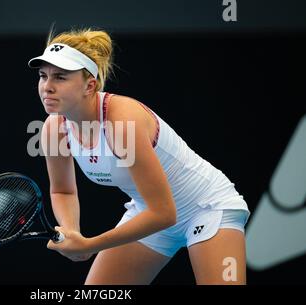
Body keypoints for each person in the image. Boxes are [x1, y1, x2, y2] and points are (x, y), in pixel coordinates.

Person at [27, 28, 250, 285]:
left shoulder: (122, 124)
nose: (47, 87)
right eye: (43, 76)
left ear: (90, 85)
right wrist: (72, 232)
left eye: (60, 77)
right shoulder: (53, 129)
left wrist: (89, 245)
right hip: (148, 213)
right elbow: (63, 191)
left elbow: (165, 213)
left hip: (208, 208)